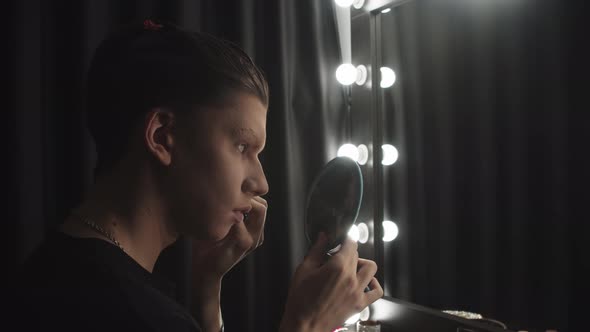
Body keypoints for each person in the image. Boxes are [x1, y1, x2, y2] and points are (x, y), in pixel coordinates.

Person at [16, 19, 383, 332]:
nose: (261, 183)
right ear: (162, 137)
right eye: (243, 147)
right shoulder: (135, 315)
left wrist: (207, 288)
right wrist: (307, 324)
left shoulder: (54, 268)